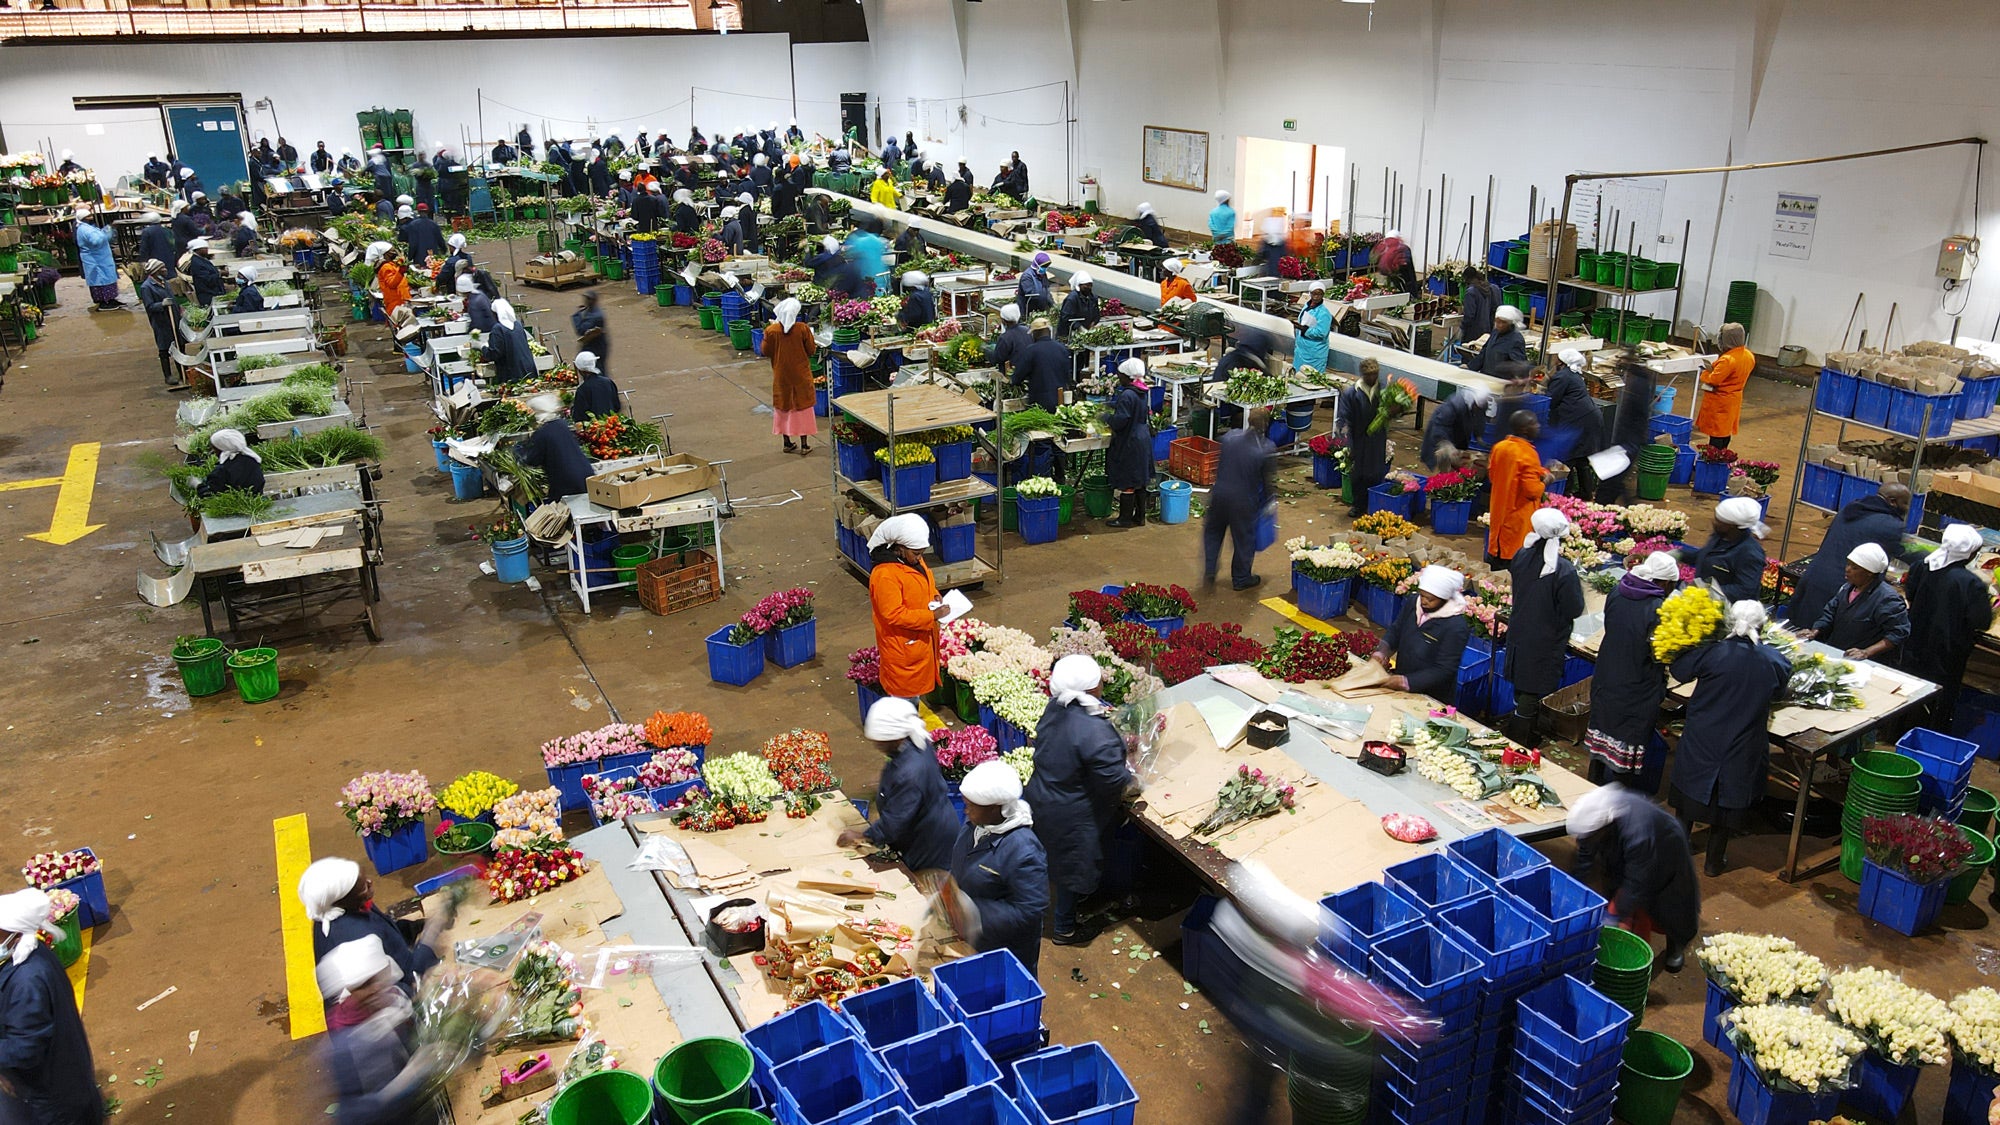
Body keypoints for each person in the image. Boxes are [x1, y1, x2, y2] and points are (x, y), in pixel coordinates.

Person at [1670, 600, 1792, 876]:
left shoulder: (1713, 653)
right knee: (1726, 805)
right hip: (1741, 742)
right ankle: (1714, 861)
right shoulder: (1773, 660)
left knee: (1690, 794)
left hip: (1704, 736)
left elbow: (1679, 670)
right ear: (1761, 626)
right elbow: (1779, 692)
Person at [1026, 655, 1136, 947]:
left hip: (1043, 798)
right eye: (1099, 680)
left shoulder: (1057, 707)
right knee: (1072, 868)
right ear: (1090, 688)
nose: (1103, 684)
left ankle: (1072, 903)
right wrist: (1135, 784)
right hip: (1073, 814)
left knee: (1054, 859)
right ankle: (1065, 929)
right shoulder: (1093, 730)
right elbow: (1113, 779)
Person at [316, 935, 449, 1125]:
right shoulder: (345, 1047)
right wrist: (404, 1082)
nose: (375, 989)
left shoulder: (394, 1000)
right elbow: (351, 1115)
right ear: (348, 991)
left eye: (375, 979)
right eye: (364, 985)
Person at [0, 888, 106, 1125]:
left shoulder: (27, 982)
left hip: (54, 1102)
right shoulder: (33, 952)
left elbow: (24, 1050)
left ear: (14, 934)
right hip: (68, 1081)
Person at [1566, 787, 1699, 973]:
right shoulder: (1596, 825)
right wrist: (1574, 890)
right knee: (1616, 884)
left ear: (1603, 828)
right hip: (1628, 851)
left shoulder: (1638, 831)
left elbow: (1636, 882)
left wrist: (1615, 913)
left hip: (1665, 849)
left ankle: (1675, 944)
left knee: (1671, 905)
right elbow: (1585, 856)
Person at [837, 698, 961, 881]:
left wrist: (861, 835)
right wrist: (886, 785)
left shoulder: (910, 773)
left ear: (896, 737)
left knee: (927, 885)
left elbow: (895, 822)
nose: (876, 746)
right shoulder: (914, 743)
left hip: (928, 842)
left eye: (880, 741)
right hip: (932, 824)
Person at [1586, 551, 1680, 792]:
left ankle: (1591, 787)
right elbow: (1659, 653)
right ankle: (1615, 806)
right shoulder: (1658, 610)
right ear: (1666, 583)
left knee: (1601, 738)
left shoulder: (1618, 591)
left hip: (1608, 674)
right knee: (1622, 755)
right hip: (1636, 686)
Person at [944, 761, 1049, 974]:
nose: (965, 809)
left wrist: (969, 910)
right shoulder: (976, 825)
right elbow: (963, 862)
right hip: (970, 939)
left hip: (1002, 951)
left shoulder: (1023, 850)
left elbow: (1029, 911)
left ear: (995, 808)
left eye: (971, 805)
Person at [297, 857, 446, 993]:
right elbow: (411, 973)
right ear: (342, 899)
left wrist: (418, 925)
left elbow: (387, 930)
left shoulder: (344, 907)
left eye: (365, 879)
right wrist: (432, 930)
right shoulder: (358, 937)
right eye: (363, 887)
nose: (370, 883)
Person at [1902, 523, 1995, 730]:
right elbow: (1982, 621)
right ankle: (1930, 732)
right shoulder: (1971, 583)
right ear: (1969, 554)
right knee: (1939, 699)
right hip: (1947, 653)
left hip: (1914, 644)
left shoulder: (1921, 566)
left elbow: (1911, 595)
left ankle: (1897, 731)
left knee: (1909, 690)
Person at [1506, 509, 1586, 746]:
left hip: (1520, 630)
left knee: (1522, 685)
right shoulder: (1562, 570)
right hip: (1545, 638)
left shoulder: (1521, 555)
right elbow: (1574, 609)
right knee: (1531, 690)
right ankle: (1518, 740)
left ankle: (1521, 726)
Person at [1787, 485, 1914, 626]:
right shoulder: (1891, 526)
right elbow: (1908, 553)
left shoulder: (1851, 509)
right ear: (1892, 501)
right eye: (1905, 503)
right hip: (1840, 592)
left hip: (1814, 578)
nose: (1907, 508)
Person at [866, 514, 943, 700]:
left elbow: (924, 582)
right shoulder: (885, 575)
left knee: (913, 694)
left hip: (917, 641)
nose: (919, 558)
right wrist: (931, 616)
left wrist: (934, 594)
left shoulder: (912, 560)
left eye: (922, 553)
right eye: (916, 554)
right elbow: (893, 614)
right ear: (899, 549)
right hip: (901, 646)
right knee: (903, 698)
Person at [1372, 566, 1474, 705]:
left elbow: (1444, 669)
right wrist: (1382, 651)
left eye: (1430, 599)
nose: (1424, 601)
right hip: (1402, 681)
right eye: (1422, 595)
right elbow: (1396, 630)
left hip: (1431, 695)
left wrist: (1407, 681)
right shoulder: (1414, 603)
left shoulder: (1455, 626)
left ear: (1444, 599)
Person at [1203, 408, 1277, 591]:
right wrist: (1269, 502)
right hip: (1243, 501)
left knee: (1213, 532)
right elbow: (1267, 482)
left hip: (1219, 494)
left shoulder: (1230, 437)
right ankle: (1241, 578)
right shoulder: (1266, 448)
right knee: (1244, 538)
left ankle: (1210, 570)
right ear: (1266, 425)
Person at [1800, 543, 1911, 662]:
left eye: (1855, 568)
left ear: (1869, 572)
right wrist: (1814, 631)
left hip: (1864, 663)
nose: (1847, 569)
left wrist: (1866, 652)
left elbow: (1898, 633)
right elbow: (1830, 613)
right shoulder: (1847, 588)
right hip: (1837, 653)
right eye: (1848, 564)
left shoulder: (1887, 600)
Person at [1486, 410, 1549, 567]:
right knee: (1513, 562)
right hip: (1517, 519)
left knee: (1496, 558)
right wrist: (1546, 480)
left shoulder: (1499, 447)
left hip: (1499, 513)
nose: (1538, 426)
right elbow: (1532, 491)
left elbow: (1493, 476)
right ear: (1524, 429)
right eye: (1534, 423)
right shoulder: (1527, 453)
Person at [1683, 497, 1768, 604]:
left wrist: (1708, 591)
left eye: (1719, 521)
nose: (1714, 522)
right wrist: (1679, 555)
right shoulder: (1720, 537)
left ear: (1732, 526)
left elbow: (1745, 590)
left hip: (1727, 611)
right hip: (1704, 602)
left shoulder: (1750, 553)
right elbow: (1704, 555)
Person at [1593, 360, 1657, 503]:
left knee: (1612, 480)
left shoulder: (1638, 388)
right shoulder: (1641, 385)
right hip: (1628, 441)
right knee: (1614, 479)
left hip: (1628, 442)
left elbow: (1634, 417)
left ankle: (1605, 506)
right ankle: (1620, 502)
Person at [762, 297, 818, 454]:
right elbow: (811, 350)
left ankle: (787, 442)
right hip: (801, 375)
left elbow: (765, 351)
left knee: (784, 405)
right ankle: (804, 445)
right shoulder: (802, 329)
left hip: (781, 376)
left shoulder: (771, 331)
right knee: (803, 407)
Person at [1337, 357, 1391, 517]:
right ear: (1363, 374)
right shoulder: (1352, 393)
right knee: (1359, 473)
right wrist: (1345, 434)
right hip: (1358, 437)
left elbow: (1390, 411)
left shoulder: (1383, 390)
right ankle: (1358, 505)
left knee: (1376, 471)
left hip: (1377, 438)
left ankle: (1374, 504)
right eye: (1369, 375)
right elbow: (1343, 416)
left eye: (1375, 374)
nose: (1372, 378)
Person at [1103, 358, 1152, 528]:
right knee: (1140, 479)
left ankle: (1124, 518)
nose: (1119, 379)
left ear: (1127, 377)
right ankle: (1139, 516)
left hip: (1130, 441)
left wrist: (1106, 417)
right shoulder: (1142, 391)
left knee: (1128, 479)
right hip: (1143, 438)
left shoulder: (1127, 395)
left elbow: (1120, 421)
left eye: (1120, 376)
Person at [518, 395, 594, 499]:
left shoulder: (543, 433)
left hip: (567, 482)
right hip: (586, 476)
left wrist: (518, 451)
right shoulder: (561, 425)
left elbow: (532, 459)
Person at [1696, 323, 1753, 449]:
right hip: (1734, 400)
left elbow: (1713, 379)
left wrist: (1705, 373)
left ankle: (1713, 462)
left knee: (1716, 435)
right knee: (1725, 432)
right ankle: (1722, 458)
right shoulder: (1748, 356)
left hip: (1720, 403)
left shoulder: (1727, 360)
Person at [1543, 349, 1603, 470]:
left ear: (1561, 362)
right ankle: (1586, 489)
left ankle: (1566, 487)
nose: (1554, 360)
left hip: (1578, 421)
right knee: (1582, 459)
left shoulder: (1562, 376)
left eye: (1556, 358)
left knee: (1567, 457)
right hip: (1589, 418)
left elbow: (1551, 400)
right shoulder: (1573, 374)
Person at [1420, 386, 1492, 471]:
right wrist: (1446, 445)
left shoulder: (1480, 406)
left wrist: (1478, 435)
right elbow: (1440, 426)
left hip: (1459, 437)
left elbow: (1480, 420)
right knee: (1444, 465)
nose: (1477, 409)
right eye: (1476, 407)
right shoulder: (1452, 406)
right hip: (1442, 440)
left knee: (1458, 464)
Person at [1015, 318, 1071, 412]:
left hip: (1039, 402)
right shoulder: (1062, 348)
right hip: (1060, 398)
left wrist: (1013, 381)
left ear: (1035, 334)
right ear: (1049, 332)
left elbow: (1018, 376)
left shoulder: (1031, 351)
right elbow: (1067, 374)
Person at [73, 207, 121, 311]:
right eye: (88, 216)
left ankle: (111, 299)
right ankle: (105, 302)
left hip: (102, 259)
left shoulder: (88, 227)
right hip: (96, 261)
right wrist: (107, 233)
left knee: (108, 279)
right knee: (101, 280)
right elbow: (96, 241)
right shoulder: (84, 229)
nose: (91, 217)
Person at [479, 299, 535, 386]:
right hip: (528, 368)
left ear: (496, 314)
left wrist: (483, 347)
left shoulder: (498, 329)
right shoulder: (518, 325)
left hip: (512, 373)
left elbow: (494, 353)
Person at [140, 260, 178, 384]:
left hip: (173, 318)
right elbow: (149, 306)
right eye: (162, 268)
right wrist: (161, 304)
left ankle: (183, 370)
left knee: (178, 344)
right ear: (156, 271)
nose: (165, 270)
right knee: (164, 348)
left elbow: (172, 299)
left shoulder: (164, 282)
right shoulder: (147, 287)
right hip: (161, 322)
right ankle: (168, 376)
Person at [1466, 304, 1527, 373]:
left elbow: (1519, 366)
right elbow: (1484, 353)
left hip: (1501, 381)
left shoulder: (1516, 340)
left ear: (1510, 323)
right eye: (1498, 322)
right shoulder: (1495, 332)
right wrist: (1470, 367)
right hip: (1486, 377)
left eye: (1504, 322)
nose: (1500, 325)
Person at [568, 352, 619, 423]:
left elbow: (579, 417)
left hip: (594, 429)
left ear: (581, 371)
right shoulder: (608, 382)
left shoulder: (582, 390)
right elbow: (616, 406)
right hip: (611, 426)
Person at [1293, 282, 1332, 373]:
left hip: (1314, 353)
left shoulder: (1324, 313)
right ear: (1310, 293)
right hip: (1302, 350)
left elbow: (1322, 333)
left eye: (1319, 294)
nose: (1316, 297)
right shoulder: (1307, 306)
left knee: (1312, 378)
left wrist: (1305, 330)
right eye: (1314, 294)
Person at [1457, 266, 1500, 345]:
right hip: (1487, 330)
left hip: (1472, 332)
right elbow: (1496, 308)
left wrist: (1462, 328)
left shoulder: (1471, 292)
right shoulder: (1492, 288)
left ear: (1467, 279)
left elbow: (1469, 315)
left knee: (1469, 353)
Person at [987, 303, 1031, 377]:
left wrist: (986, 350)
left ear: (1003, 320)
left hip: (1013, 374)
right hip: (1029, 371)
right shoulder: (1028, 331)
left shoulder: (1005, 337)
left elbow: (997, 359)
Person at [846, 221, 889, 295]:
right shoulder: (878, 241)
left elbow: (850, 254)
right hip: (880, 274)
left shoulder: (859, 242)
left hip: (865, 275)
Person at [570, 289, 608, 373]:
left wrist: (578, 315)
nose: (586, 301)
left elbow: (580, 330)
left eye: (588, 299)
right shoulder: (589, 311)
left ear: (593, 300)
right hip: (594, 345)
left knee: (597, 369)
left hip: (596, 346)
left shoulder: (595, 316)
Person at [1056, 272, 1100, 340]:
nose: (1088, 287)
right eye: (1086, 285)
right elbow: (1066, 317)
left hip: (1085, 333)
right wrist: (1079, 327)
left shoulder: (1093, 298)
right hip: (1068, 334)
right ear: (1079, 285)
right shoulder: (1071, 299)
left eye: (1090, 285)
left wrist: (1093, 323)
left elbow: (1097, 314)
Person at [1373, 228, 1417, 294]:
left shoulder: (1383, 246)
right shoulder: (1403, 248)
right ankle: (1411, 295)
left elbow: (1373, 258)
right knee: (1407, 283)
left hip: (1385, 271)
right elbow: (1409, 267)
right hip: (1400, 270)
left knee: (1393, 285)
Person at [185, 237, 226, 308]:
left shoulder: (202, 260)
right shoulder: (197, 263)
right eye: (205, 248)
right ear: (198, 250)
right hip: (208, 295)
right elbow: (207, 279)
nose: (207, 250)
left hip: (212, 293)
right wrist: (220, 274)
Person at [400, 205, 444, 272]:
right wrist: (444, 251)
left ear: (418, 211)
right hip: (432, 255)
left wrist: (409, 257)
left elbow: (413, 244)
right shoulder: (434, 224)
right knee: (433, 271)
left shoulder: (413, 225)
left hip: (419, 256)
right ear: (427, 211)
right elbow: (440, 240)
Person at [374, 247, 410, 318]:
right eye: (391, 251)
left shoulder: (391, 265)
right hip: (395, 303)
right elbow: (392, 284)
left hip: (399, 300)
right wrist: (400, 272)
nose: (394, 252)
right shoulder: (386, 267)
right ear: (385, 254)